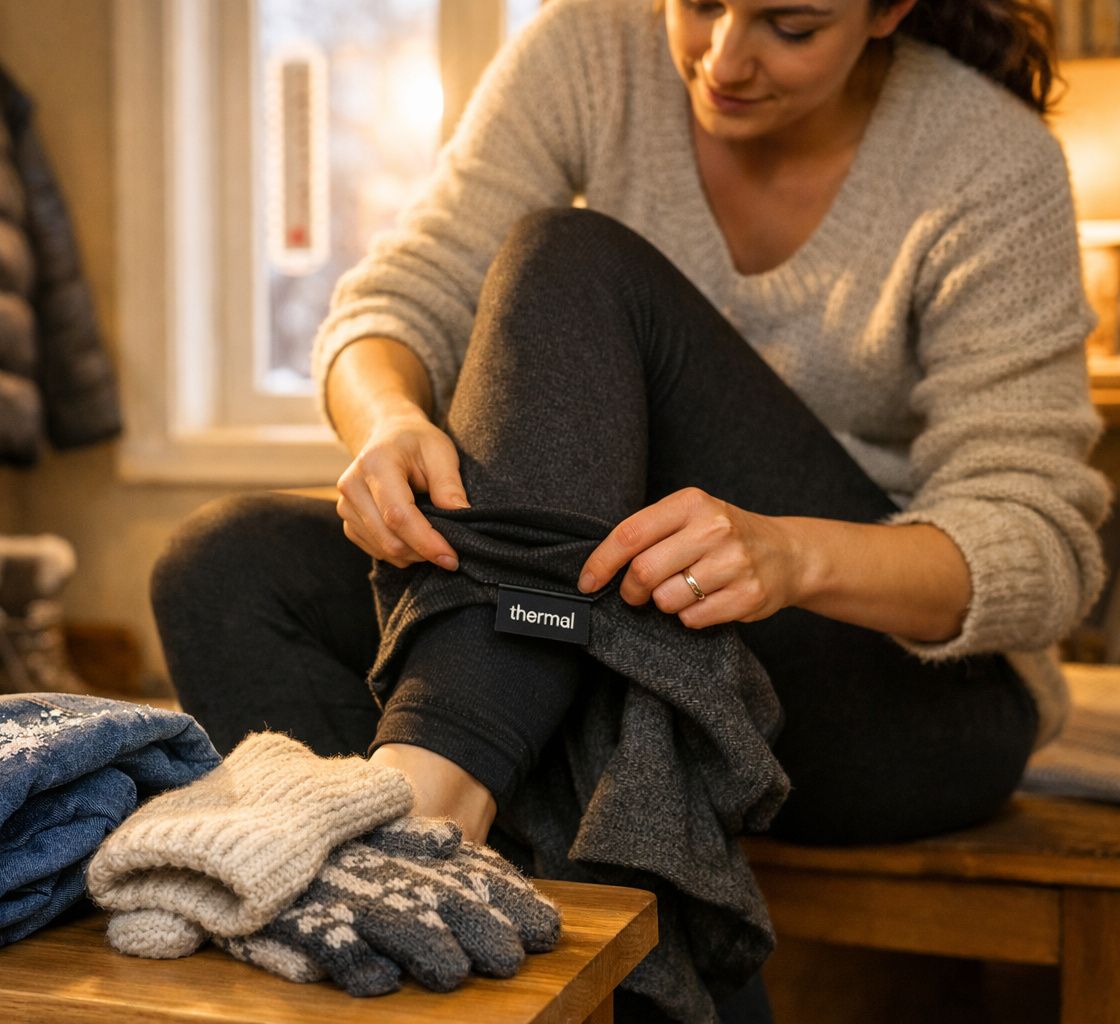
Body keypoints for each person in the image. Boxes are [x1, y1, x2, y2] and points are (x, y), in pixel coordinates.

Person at [150, 0, 1109, 1018]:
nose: (725, 57)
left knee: (573, 259)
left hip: (888, 701)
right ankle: (436, 922)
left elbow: (1041, 549)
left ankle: (427, 810)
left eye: (790, 24)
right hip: (634, 630)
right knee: (224, 568)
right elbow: (401, 297)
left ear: (887, 12)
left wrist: (789, 557)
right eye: (698, 3)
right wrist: (387, 419)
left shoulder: (989, 158)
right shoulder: (589, 49)